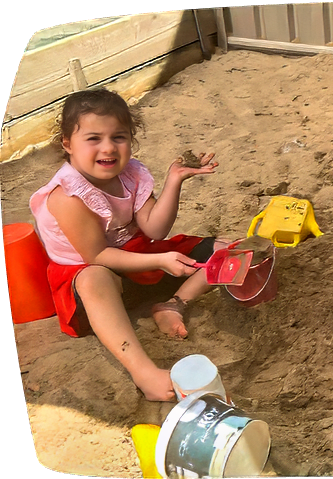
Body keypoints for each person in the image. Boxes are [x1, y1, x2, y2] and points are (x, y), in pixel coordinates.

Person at [29, 88, 226, 401]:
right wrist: (160, 261)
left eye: (119, 137)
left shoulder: (132, 174)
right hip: (94, 290)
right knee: (94, 275)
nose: (108, 147)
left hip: (134, 261)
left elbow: (155, 229)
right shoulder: (67, 196)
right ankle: (143, 372)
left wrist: (174, 180)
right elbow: (97, 255)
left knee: (224, 249)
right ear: (67, 144)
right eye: (93, 138)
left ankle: (173, 304)